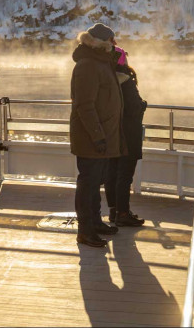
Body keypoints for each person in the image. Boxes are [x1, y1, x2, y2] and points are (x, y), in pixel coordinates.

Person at [70, 22, 124, 247]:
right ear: (102, 43)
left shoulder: (101, 63)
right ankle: (85, 230)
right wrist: (98, 136)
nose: (115, 45)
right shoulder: (88, 66)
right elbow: (84, 105)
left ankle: (95, 222)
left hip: (102, 137)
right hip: (92, 138)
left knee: (95, 184)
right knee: (88, 184)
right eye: (112, 41)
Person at [104, 44, 147, 227]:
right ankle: (122, 213)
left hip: (112, 133)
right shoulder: (126, 82)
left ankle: (114, 211)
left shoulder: (106, 79)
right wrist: (143, 104)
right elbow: (134, 108)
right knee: (125, 175)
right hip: (128, 134)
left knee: (111, 173)